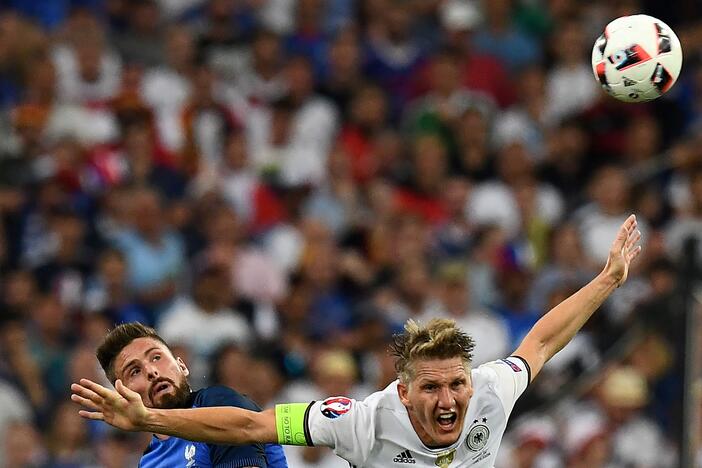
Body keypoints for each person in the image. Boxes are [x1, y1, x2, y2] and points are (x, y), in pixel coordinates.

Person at [72, 216, 642, 468]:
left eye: (456, 385)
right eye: (433, 388)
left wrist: (607, 280)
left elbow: (541, 342)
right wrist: (149, 423)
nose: (448, 401)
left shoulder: (491, 390)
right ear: (403, 388)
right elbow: (251, 425)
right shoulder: (359, 420)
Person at [84, 322, 288, 467]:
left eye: (156, 357)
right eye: (135, 371)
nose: (152, 372)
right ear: (124, 395)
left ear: (181, 366)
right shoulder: (148, 462)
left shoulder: (217, 403)